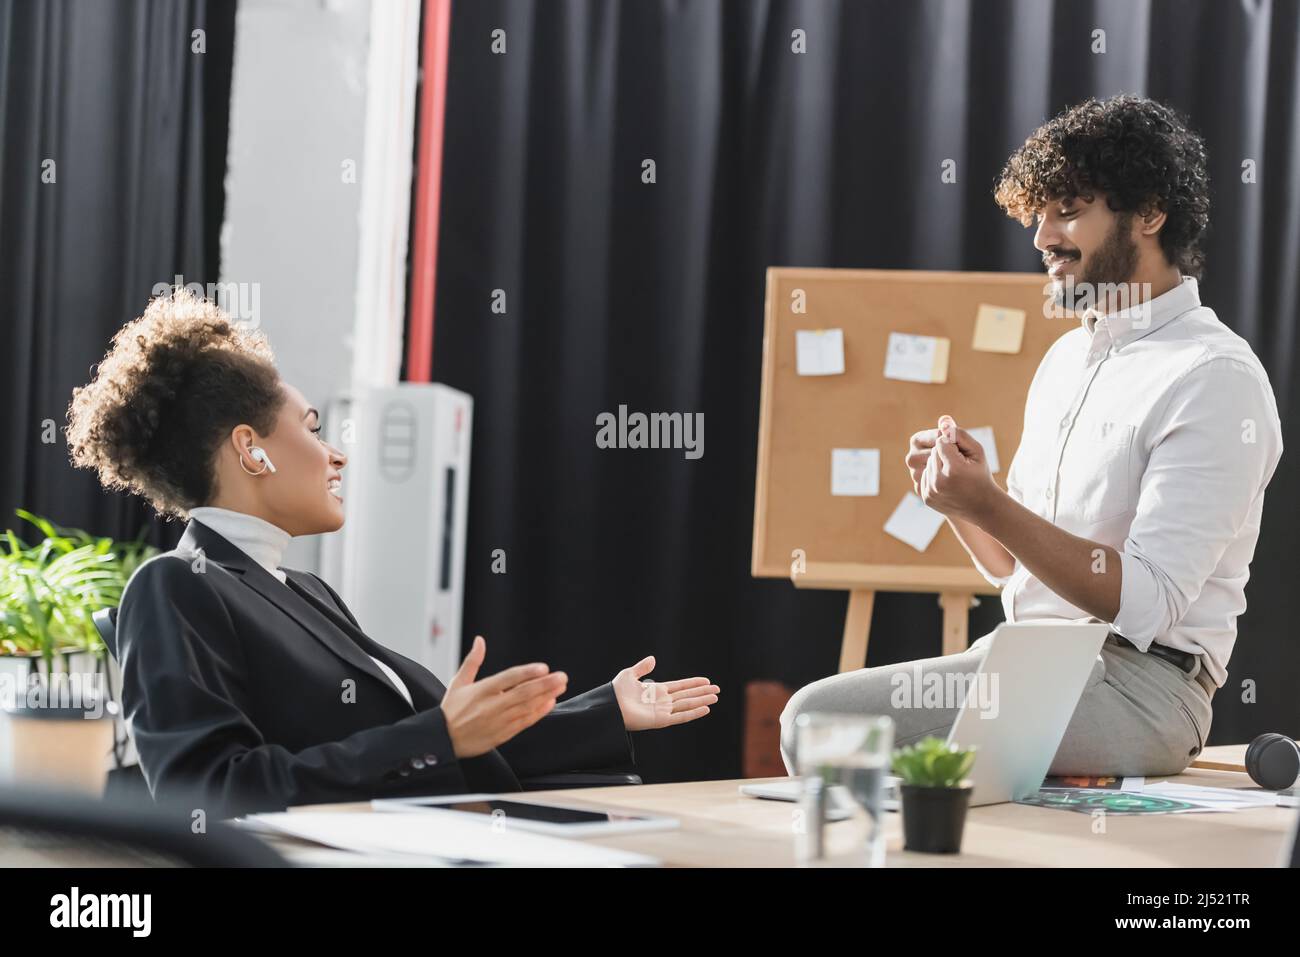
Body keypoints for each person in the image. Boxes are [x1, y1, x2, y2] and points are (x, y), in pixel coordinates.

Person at [67, 289, 719, 815]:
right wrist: (439, 736)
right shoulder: (174, 585)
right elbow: (206, 794)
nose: (336, 454)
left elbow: (450, 738)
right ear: (250, 449)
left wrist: (605, 709)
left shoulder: (303, 590)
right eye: (313, 428)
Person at [781, 95, 1282, 776]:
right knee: (820, 720)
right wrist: (964, 503)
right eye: (1037, 215)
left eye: (1068, 210)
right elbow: (1014, 571)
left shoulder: (1214, 375)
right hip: (1026, 655)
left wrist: (989, 503)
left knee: (819, 723)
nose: (1042, 237)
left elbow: (1144, 601)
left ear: (1150, 212)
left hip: (1143, 688)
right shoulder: (1066, 360)